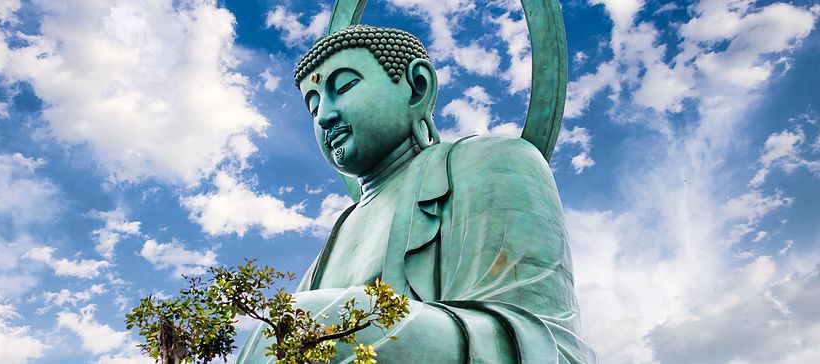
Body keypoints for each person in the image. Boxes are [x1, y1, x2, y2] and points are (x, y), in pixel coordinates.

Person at [236, 24, 596, 363]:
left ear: (417, 87)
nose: (326, 116)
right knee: (281, 326)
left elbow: (546, 339)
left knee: (304, 319)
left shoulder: (495, 160)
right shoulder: (340, 231)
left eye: (344, 87)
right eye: (313, 107)